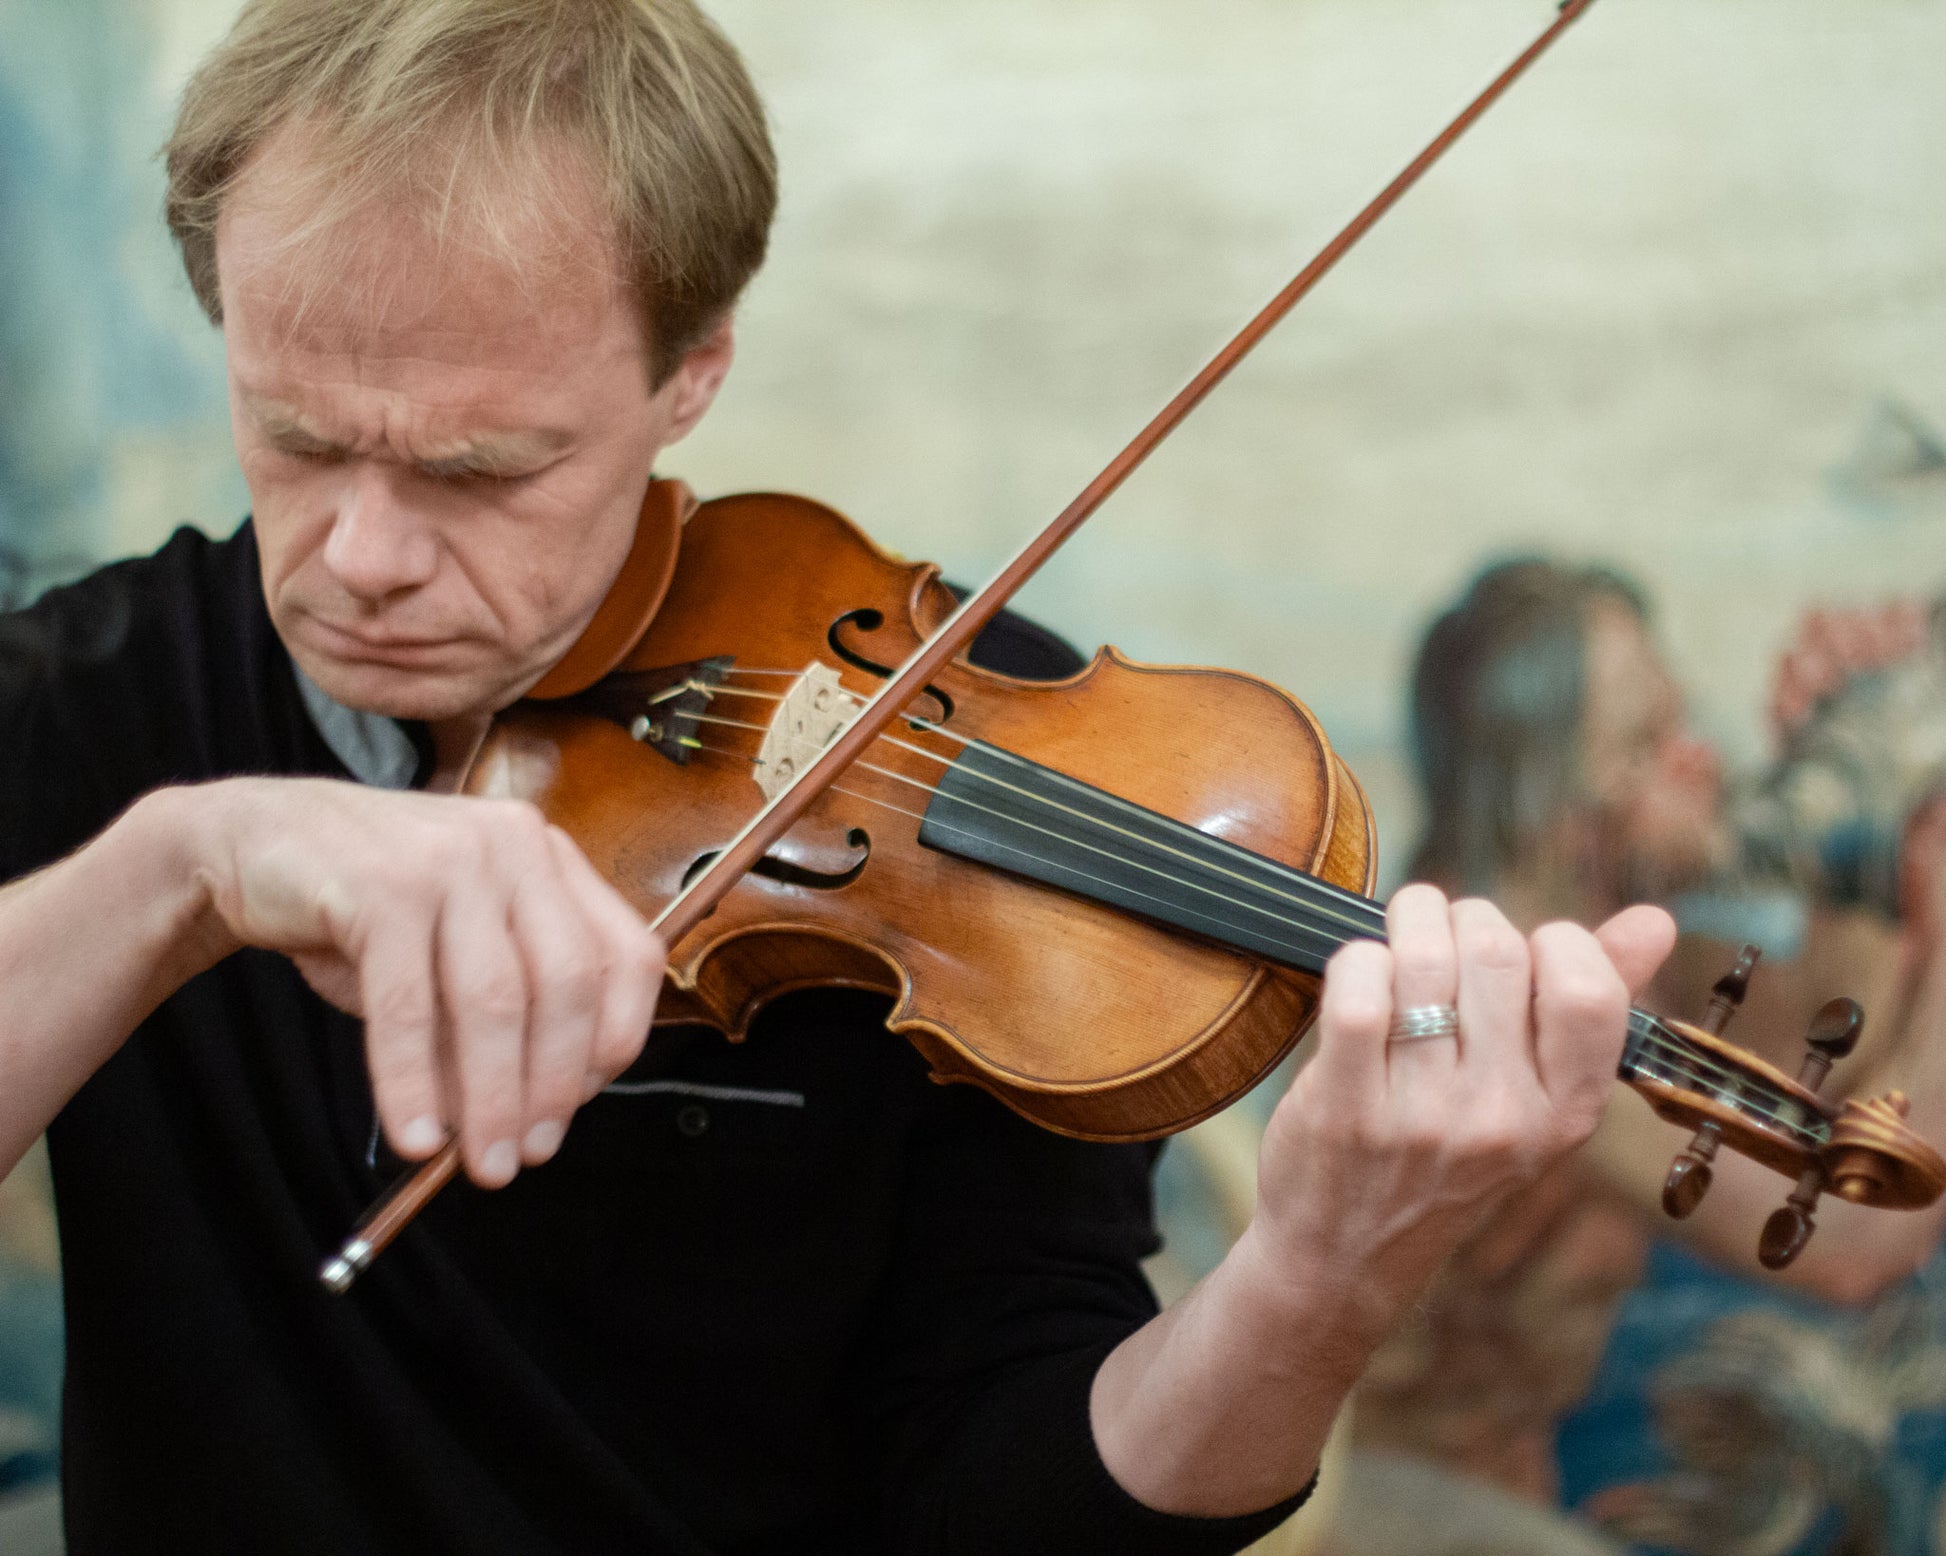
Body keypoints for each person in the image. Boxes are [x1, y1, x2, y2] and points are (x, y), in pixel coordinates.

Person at [0, 4, 1670, 1551]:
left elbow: (1014, 1503)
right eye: (295, 436)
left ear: (691, 370)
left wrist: (1315, 1282)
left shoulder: (960, 742)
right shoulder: (108, 694)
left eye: (481, 469)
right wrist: (178, 872)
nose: (363, 556)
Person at [1343, 559, 1946, 1556]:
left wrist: (1871, 766)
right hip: (1416, 1506)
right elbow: (1847, 1247)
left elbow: (1856, 1048)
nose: (1701, 757)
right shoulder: (1513, 996)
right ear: (1554, 804)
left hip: (1532, 1463)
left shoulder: (1621, 925)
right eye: (1650, 742)